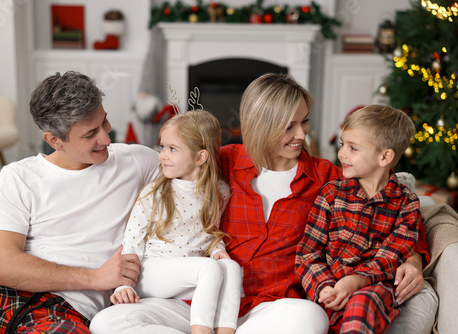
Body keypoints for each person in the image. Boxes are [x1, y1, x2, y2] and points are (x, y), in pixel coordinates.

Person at [89, 73, 435, 334]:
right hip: (198, 306)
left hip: (271, 310)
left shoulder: (328, 178)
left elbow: (392, 203)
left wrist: (415, 259)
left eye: (304, 122)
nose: (301, 134)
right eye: (290, 126)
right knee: (107, 322)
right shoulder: (220, 161)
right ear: (262, 125)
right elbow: (166, 179)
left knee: (309, 318)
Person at [0, 71, 159, 333]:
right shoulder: (19, 176)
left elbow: (197, 170)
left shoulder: (138, 162)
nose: (107, 139)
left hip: (61, 307)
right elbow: (1, 266)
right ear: (54, 140)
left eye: (105, 122)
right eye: (90, 134)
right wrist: (96, 277)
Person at [97, 110, 241, 334]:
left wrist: (217, 250)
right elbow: (132, 243)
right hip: (153, 273)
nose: (162, 155)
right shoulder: (155, 192)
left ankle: (225, 331)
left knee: (230, 267)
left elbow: (211, 232)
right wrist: (124, 284)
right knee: (209, 268)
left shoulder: (220, 191)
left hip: (189, 279)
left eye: (172, 149)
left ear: (200, 157)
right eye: (162, 147)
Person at [295, 105, 428, 333]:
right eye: (342, 145)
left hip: (373, 289)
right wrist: (324, 287)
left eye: (353, 148)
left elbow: (393, 256)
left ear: (385, 156)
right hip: (331, 286)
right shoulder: (331, 194)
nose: (341, 154)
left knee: (361, 303)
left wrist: (358, 280)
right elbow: (308, 252)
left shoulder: (406, 203)